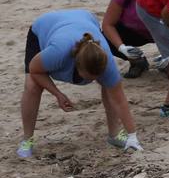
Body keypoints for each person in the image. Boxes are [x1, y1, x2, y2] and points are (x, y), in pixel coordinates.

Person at [19, 10, 142, 159]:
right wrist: (57, 94)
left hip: (84, 19)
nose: (94, 80)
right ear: (77, 66)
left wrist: (132, 136)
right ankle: (27, 140)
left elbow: (119, 100)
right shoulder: (57, 53)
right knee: (33, 86)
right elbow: (35, 70)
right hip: (44, 27)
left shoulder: (107, 61)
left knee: (110, 86)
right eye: (90, 77)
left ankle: (114, 134)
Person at [101, 0, 166, 79]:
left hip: (164, 30)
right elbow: (107, 24)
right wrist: (122, 48)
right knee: (105, 39)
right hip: (134, 32)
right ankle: (137, 62)